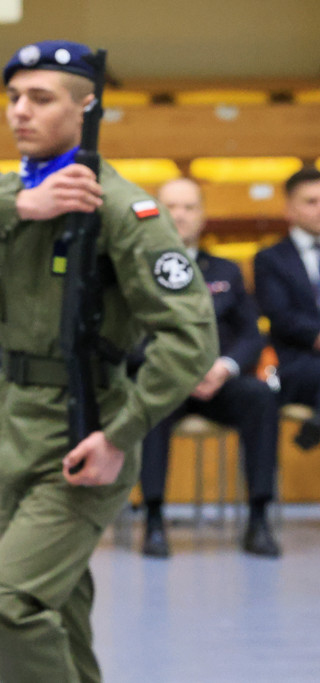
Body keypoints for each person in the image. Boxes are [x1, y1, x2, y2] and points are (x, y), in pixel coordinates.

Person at [0, 40, 217, 682]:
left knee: (5, 606)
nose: (20, 111)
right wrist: (16, 203)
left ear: (87, 106)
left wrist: (121, 434)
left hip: (85, 425)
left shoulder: (123, 210)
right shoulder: (13, 195)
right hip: (14, 420)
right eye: (14, 97)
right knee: (58, 608)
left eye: (40, 98)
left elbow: (191, 337)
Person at [138, 178, 280, 558]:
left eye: (189, 207)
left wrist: (226, 366)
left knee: (262, 398)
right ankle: (153, 520)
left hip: (218, 380)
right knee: (148, 407)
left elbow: (251, 334)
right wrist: (176, 370)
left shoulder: (226, 270)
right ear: (155, 213)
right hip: (165, 381)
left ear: (202, 215)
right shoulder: (135, 267)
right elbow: (129, 339)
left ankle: (259, 519)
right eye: (171, 206)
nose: (180, 215)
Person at [254, 167, 320, 450]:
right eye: (311, 202)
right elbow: (280, 315)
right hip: (296, 361)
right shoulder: (270, 259)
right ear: (289, 210)